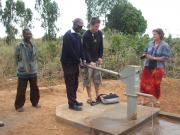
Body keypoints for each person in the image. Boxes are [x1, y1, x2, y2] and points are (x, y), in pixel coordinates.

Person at [140, 28, 171, 105]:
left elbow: (166, 57)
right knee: (144, 83)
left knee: (156, 84)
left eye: (155, 34)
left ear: (160, 35)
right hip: (148, 66)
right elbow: (145, 51)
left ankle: (154, 101)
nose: (153, 36)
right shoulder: (150, 43)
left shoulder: (165, 45)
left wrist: (153, 58)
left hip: (158, 68)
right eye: (153, 34)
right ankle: (143, 100)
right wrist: (144, 55)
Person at [61, 18, 85, 111]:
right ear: (74, 24)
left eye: (81, 26)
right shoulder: (68, 35)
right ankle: (71, 104)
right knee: (70, 84)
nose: (80, 28)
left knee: (75, 83)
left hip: (74, 63)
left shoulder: (78, 36)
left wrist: (83, 59)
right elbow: (70, 51)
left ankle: (74, 100)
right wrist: (79, 61)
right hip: (67, 63)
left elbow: (81, 49)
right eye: (79, 26)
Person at [14, 28, 40, 112]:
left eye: (30, 34)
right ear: (23, 35)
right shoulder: (19, 45)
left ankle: (35, 103)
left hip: (33, 71)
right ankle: (18, 106)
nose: (29, 35)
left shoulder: (33, 44)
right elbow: (16, 58)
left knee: (35, 88)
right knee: (21, 89)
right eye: (27, 34)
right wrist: (21, 66)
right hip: (23, 72)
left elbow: (35, 56)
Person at [83, 17, 103, 106]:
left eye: (98, 26)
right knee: (88, 79)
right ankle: (89, 97)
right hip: (89, 62)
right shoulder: (86, 35)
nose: (97, 28)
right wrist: (90, 61)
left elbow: (101, 46)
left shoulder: (99, 33)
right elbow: (85, 50)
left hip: (97, 61)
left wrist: (100, 57)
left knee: (97, 78)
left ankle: (97, 95)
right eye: (95, 26)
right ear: (91, 25)